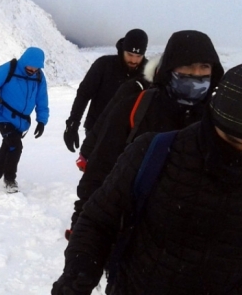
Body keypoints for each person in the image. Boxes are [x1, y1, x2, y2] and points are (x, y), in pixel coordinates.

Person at [53, 62, 242, 295]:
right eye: (230, 140)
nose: (240, 154)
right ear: (212, 117)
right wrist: (77, 278)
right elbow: (98, 221)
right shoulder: (153, 152)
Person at [67, 30, 225, 234]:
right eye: (187, 66)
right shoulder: (131, 96)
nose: (196, 75)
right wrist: (75, 127)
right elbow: (89, 100)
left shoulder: (217, 120)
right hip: (105, 133)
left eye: (204, 67)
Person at [64, 29, 148, 166]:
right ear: (123, 49)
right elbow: (84, 94)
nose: (133, 60)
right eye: (130, 54)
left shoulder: (148, 73)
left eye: (138, 56)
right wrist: (73, 123)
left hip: (130, 136)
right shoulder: (103, 65)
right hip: (97, 131)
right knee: (96, 177)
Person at [0, 47, 49, 192]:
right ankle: (10, 179)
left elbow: (42, 100)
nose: (33, 70)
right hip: (2, 115)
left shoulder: (39, 77)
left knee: (7, 148)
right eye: (31, 66)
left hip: (21, 120)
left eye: (36, 67)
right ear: (25, 61)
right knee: (15, 146)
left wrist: (42, 120)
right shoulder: (8, 69)